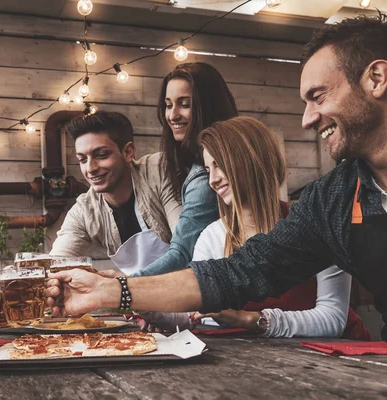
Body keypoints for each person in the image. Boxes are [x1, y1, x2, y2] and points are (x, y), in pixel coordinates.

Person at [46, 14, 387, 341]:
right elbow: (239, 273)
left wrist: (253, 320)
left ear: (376, 78)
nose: (307, 119)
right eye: (208, 169)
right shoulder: (335, 198)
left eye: (318, 96)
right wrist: (109, 290)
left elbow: (330, 316)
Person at [188, 117, 366, 339]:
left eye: (219, 165)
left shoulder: (315, 221)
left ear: (252, 160)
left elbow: (332, 319)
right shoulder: (212, 237)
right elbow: (198, 312)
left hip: (342, 357)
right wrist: (156, 311)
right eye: (207, 170)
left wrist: (249, 318)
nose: (212, 180)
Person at [133, 63, 238, 277]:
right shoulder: (193, 166)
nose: (172, 115)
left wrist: (122, 285)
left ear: (208, 107)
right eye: (168, 105)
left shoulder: (203, 177)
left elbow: (181, 255)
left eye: (185, 104)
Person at [49, 111, 182, 275]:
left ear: (128, 152)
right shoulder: (85, 210)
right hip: (139, 297)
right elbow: (57, 262)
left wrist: (125, 283)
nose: (90, 168)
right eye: (83, 159)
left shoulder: (158, 171)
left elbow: (184, 246)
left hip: (187, 289)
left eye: (101, 155)